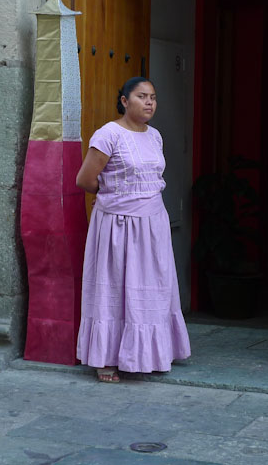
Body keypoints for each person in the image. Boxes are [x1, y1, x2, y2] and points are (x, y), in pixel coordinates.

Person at [75, 77, 191, 383]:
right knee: (114, 286)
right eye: (142, 96)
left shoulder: (155, 136)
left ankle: (150, 353)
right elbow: (85, 180)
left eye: (153, 97)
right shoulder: (108, 135)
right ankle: (106, 360)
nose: (150, 102)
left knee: (152, 287)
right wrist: (118, 196)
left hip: (153, 224)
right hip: (117, 225)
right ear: (125, 101)